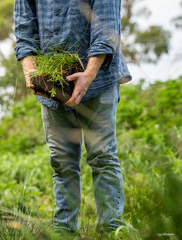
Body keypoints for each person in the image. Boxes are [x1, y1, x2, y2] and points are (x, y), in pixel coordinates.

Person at [14, 0, 132, 234]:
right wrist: (32, 71)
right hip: (52, 84)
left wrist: (87, 75)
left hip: (98, 80)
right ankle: (65, 232)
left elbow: (106, 29)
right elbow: (24, 28)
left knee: (102, 157)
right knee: (62, 162)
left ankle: (111, 231)